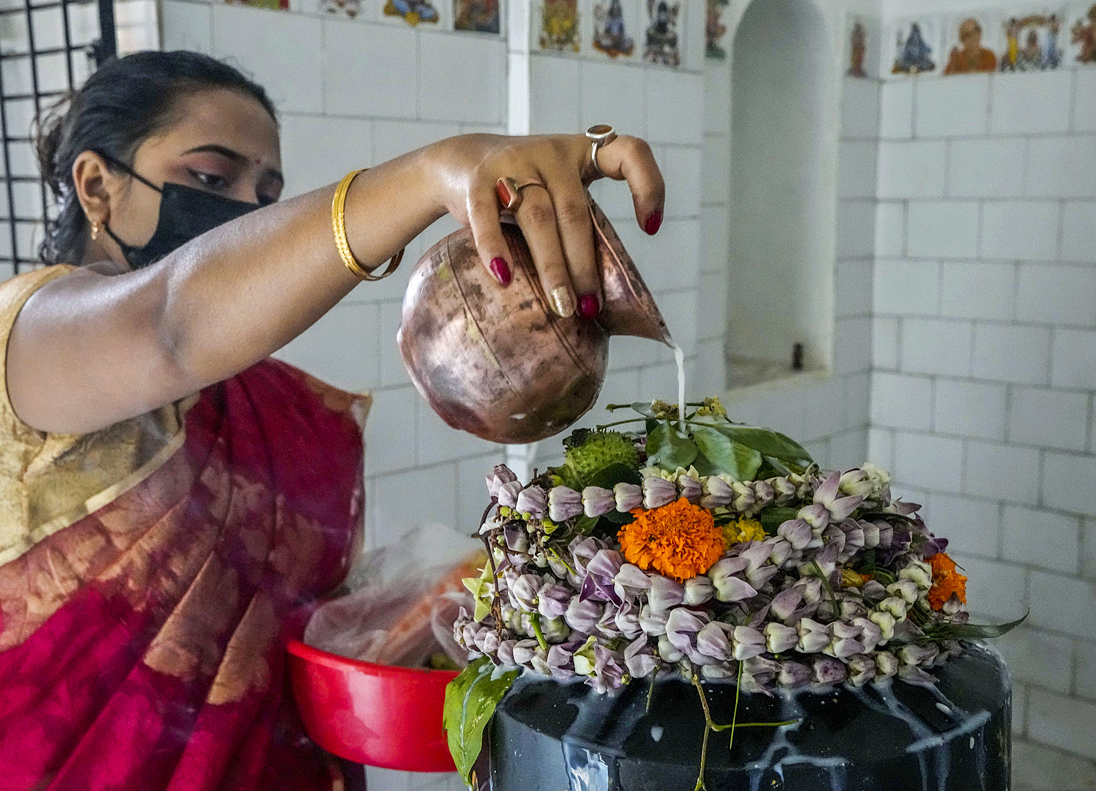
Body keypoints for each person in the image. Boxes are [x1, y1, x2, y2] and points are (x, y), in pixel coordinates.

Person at [0, 50, 664, 790]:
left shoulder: (264, 400)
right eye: (212, 179)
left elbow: (279, 618)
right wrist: (433, 173)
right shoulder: (28, 336)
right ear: (97, 185)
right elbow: (168, 323)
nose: (246, 211)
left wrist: (426, 606)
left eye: (267, 192)